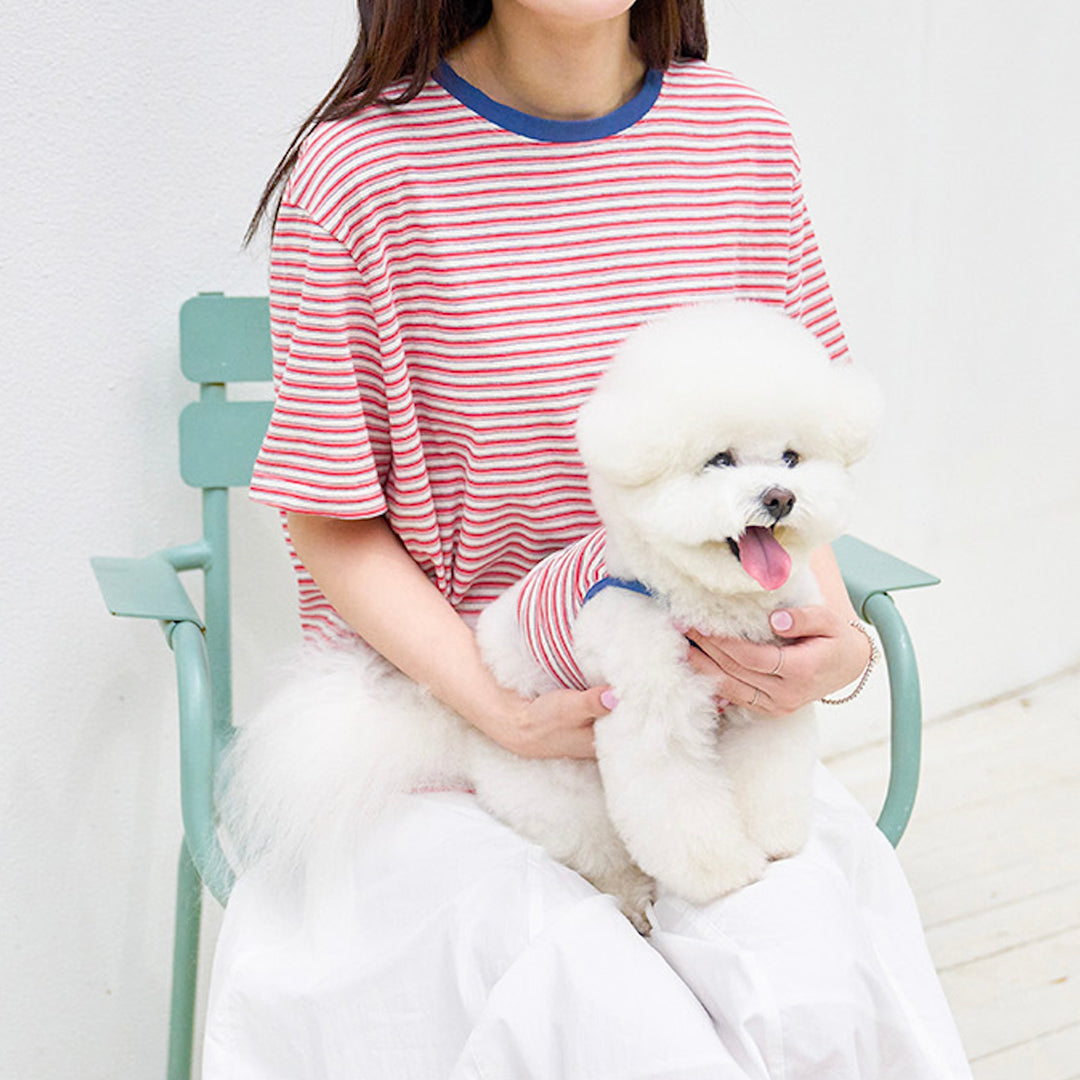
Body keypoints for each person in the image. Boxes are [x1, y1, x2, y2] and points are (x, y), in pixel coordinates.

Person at [203, 2, 974, 1076]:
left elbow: (790, 459)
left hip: (702, 723)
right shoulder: (362, 175)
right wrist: (506, 715)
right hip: (446, 739)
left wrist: (829, 642)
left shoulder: (740, 140)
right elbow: (334, 522)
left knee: (806, 982)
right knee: (604, 1016)